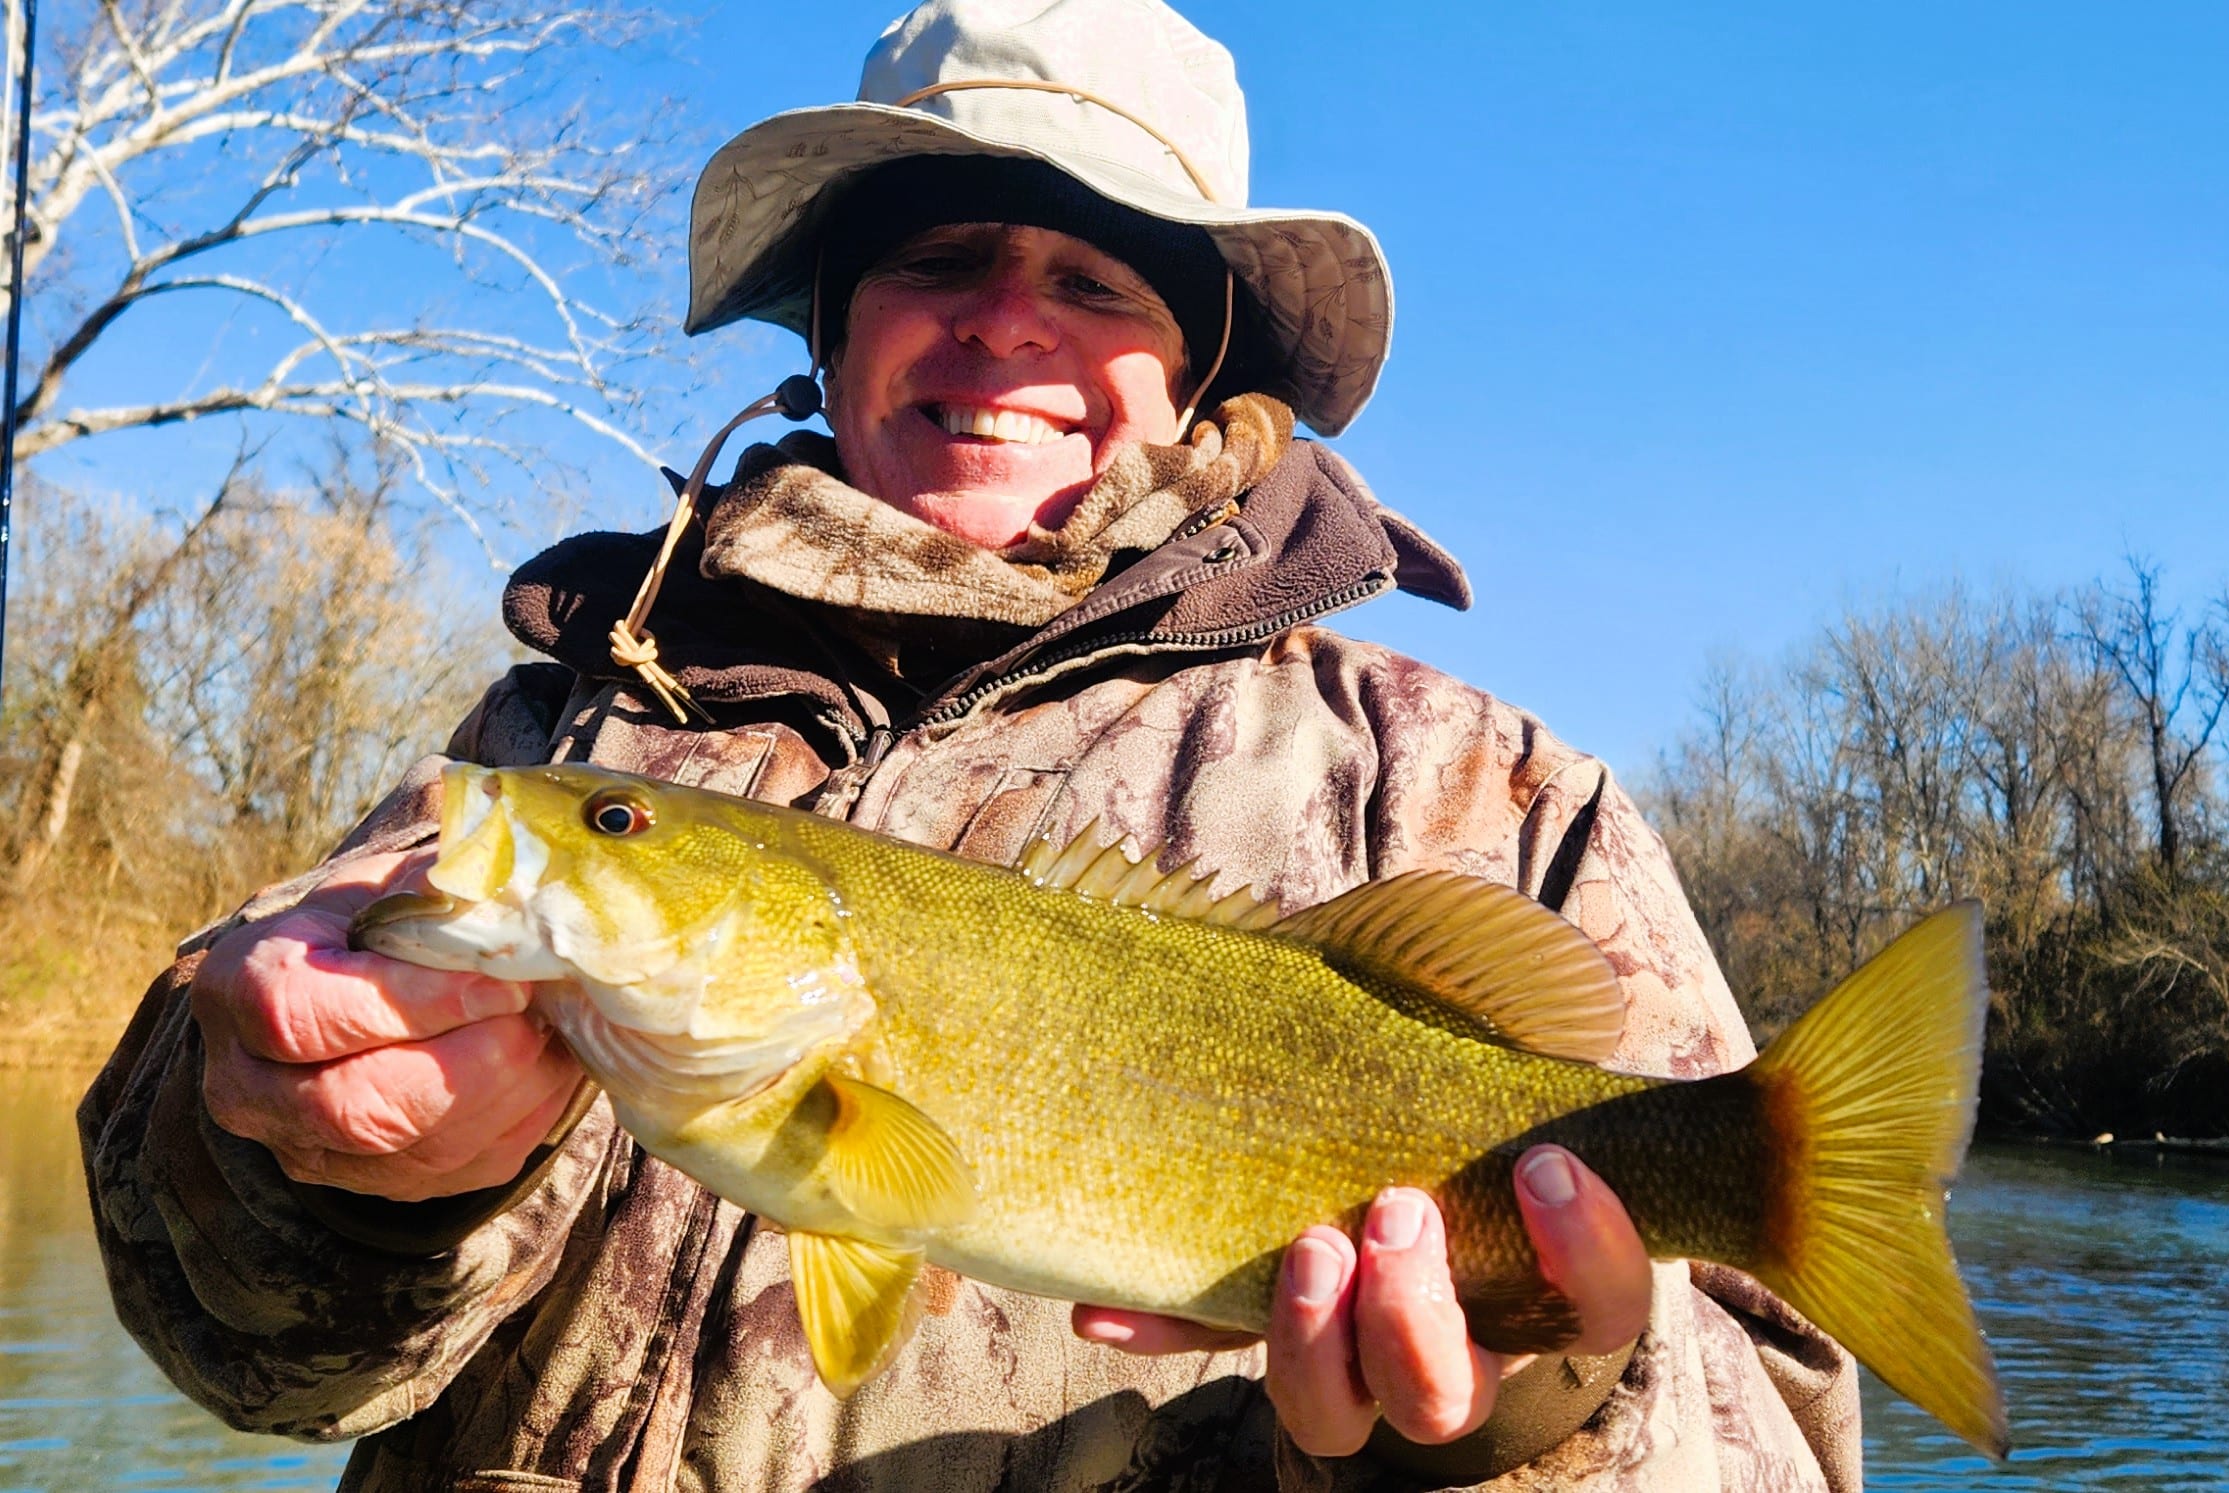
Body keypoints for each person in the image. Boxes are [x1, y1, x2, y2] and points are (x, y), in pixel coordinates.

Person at [81, 2, 1862, 1488]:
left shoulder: (1487, 798)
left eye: (1095, 276)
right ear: (834, 330)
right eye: (939, 256)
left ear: (1198, 367)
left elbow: (1783, 1434)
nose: (1007, 319)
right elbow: (255, 1373)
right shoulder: (570, 723)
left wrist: (1530, 1404)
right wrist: (314, 1170)